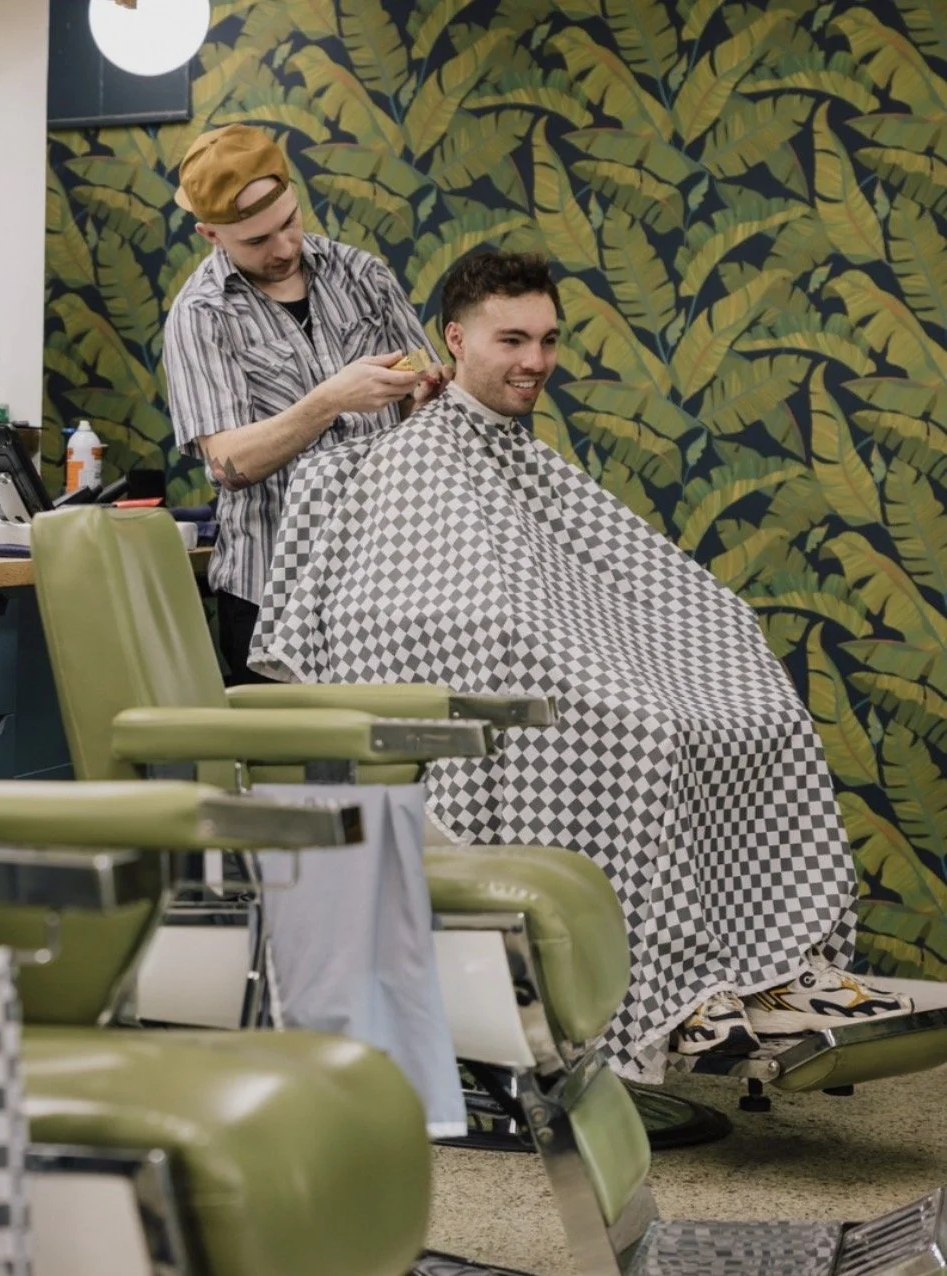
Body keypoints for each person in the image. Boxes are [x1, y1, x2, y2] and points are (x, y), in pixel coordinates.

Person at [250, 250, 913, 1081]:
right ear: (456, 339)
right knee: (649, 734)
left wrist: (697, 634)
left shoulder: (516, 456)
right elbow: (420, 611)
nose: (535, 361)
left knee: (763, 717)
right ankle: (666, 995)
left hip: (564, 668)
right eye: (512, 340)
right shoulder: (414, 461)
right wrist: (544, 655)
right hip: (502, 691)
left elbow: (615, 580)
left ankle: (772, 970)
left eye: (549, 340)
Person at [162, 123, 449, 684]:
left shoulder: (364, 275)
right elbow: (228, 464)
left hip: (383, 582)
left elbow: (421, 395)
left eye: (290, 221)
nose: (285, 246)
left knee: (390, 761)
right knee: (296, 768)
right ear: (210, 234)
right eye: (257, 240)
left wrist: (424, 398)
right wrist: (328, 401)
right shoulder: (200, 316)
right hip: (270, 595)